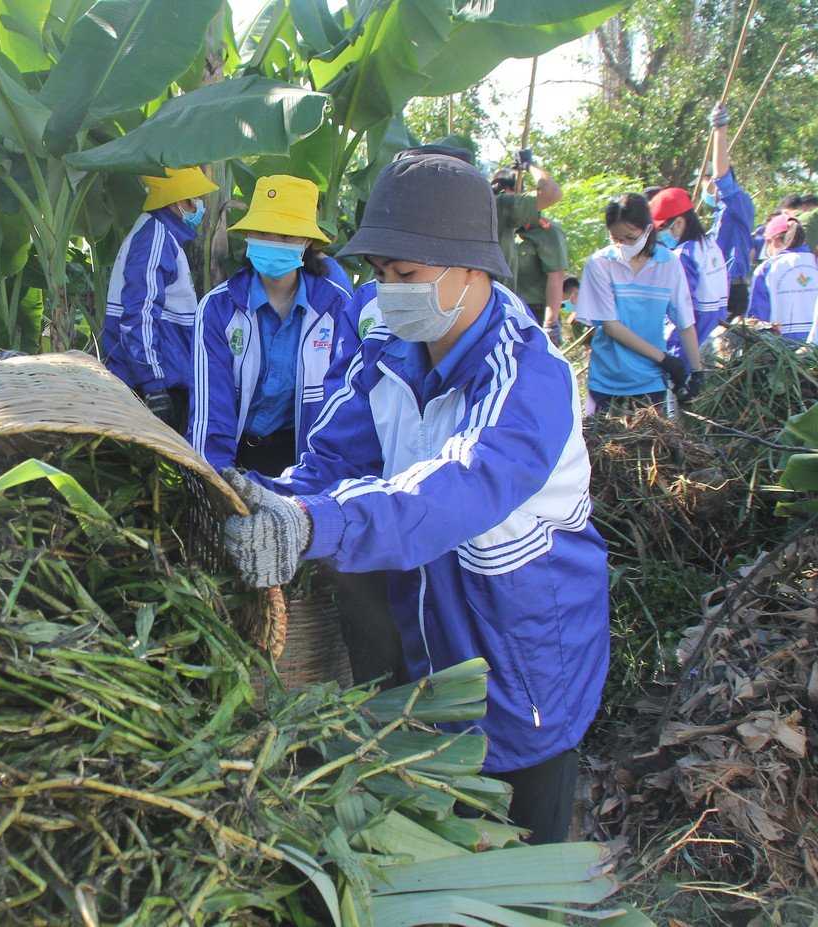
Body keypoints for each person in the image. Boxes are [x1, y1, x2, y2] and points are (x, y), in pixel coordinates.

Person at [219, 152, 608, 845]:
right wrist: (257, 500)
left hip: (524, 664)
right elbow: (332, 458)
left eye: (406, 277)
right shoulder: (389, 344)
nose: (388, 291)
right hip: (430, 640)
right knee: (438, 847)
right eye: (379, 274)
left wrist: (313, 525)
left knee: (522, 869)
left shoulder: (529, 377)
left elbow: (454, 491)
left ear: (471, 268)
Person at [188, 175, 352, 477]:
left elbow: (343, 402)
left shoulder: (336, 307)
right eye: (263, 232)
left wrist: (327, 478)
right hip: (238, 454)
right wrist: (215, 482)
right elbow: (211, 408)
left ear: (306, 243)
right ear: (249, 234)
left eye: (287, 235)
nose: (273, 242)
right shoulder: (218, 308)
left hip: (308, 459)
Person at [103, 166, 219, 433]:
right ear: (180, 200)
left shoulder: (159, 234)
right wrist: (153, 385)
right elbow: (139, 313)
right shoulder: (155, 236)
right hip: (152, 382)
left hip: (159, 377)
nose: (199, 206)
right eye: (195, 199)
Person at [577, 193, 704, 412]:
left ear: (648, 229)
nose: (623, 244)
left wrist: (697, 371)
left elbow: (684, 321)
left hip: (650, 381)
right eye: (616, 238)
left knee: (651, 444)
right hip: (608, 381)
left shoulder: (669, 263)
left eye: (631, 238)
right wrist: (664, 359)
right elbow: (612, 326)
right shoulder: (600, 264)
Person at [650, 186, 729, 353]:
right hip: (715, 347)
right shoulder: (712, 247)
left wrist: (667, 352)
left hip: (688, 351)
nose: (658, 236)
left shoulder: (682, 256)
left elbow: (682, 313)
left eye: (660, 229)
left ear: (679, 223)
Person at [701, 104, 757, 322]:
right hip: (717, 285)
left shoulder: (739, 202)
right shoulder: (719, 211)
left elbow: (721, 176)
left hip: (733, 288)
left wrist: (720, 131)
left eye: (708, 181)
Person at [502, 197, 570, 346]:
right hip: (499, 308)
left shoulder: (546, 230)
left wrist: (551, 322)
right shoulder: (496, 226)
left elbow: (556, 276)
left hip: (532, 311)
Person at [489, 153, 564, 286]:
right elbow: (552, 192)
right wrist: (528, 165)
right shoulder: (502, 206)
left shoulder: (477, 207)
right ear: (507, 192)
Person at [748, 213, 818, 340]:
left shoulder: (767, 269)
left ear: (774, 241)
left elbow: (757, 318)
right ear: (803, 240)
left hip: (780, 351)